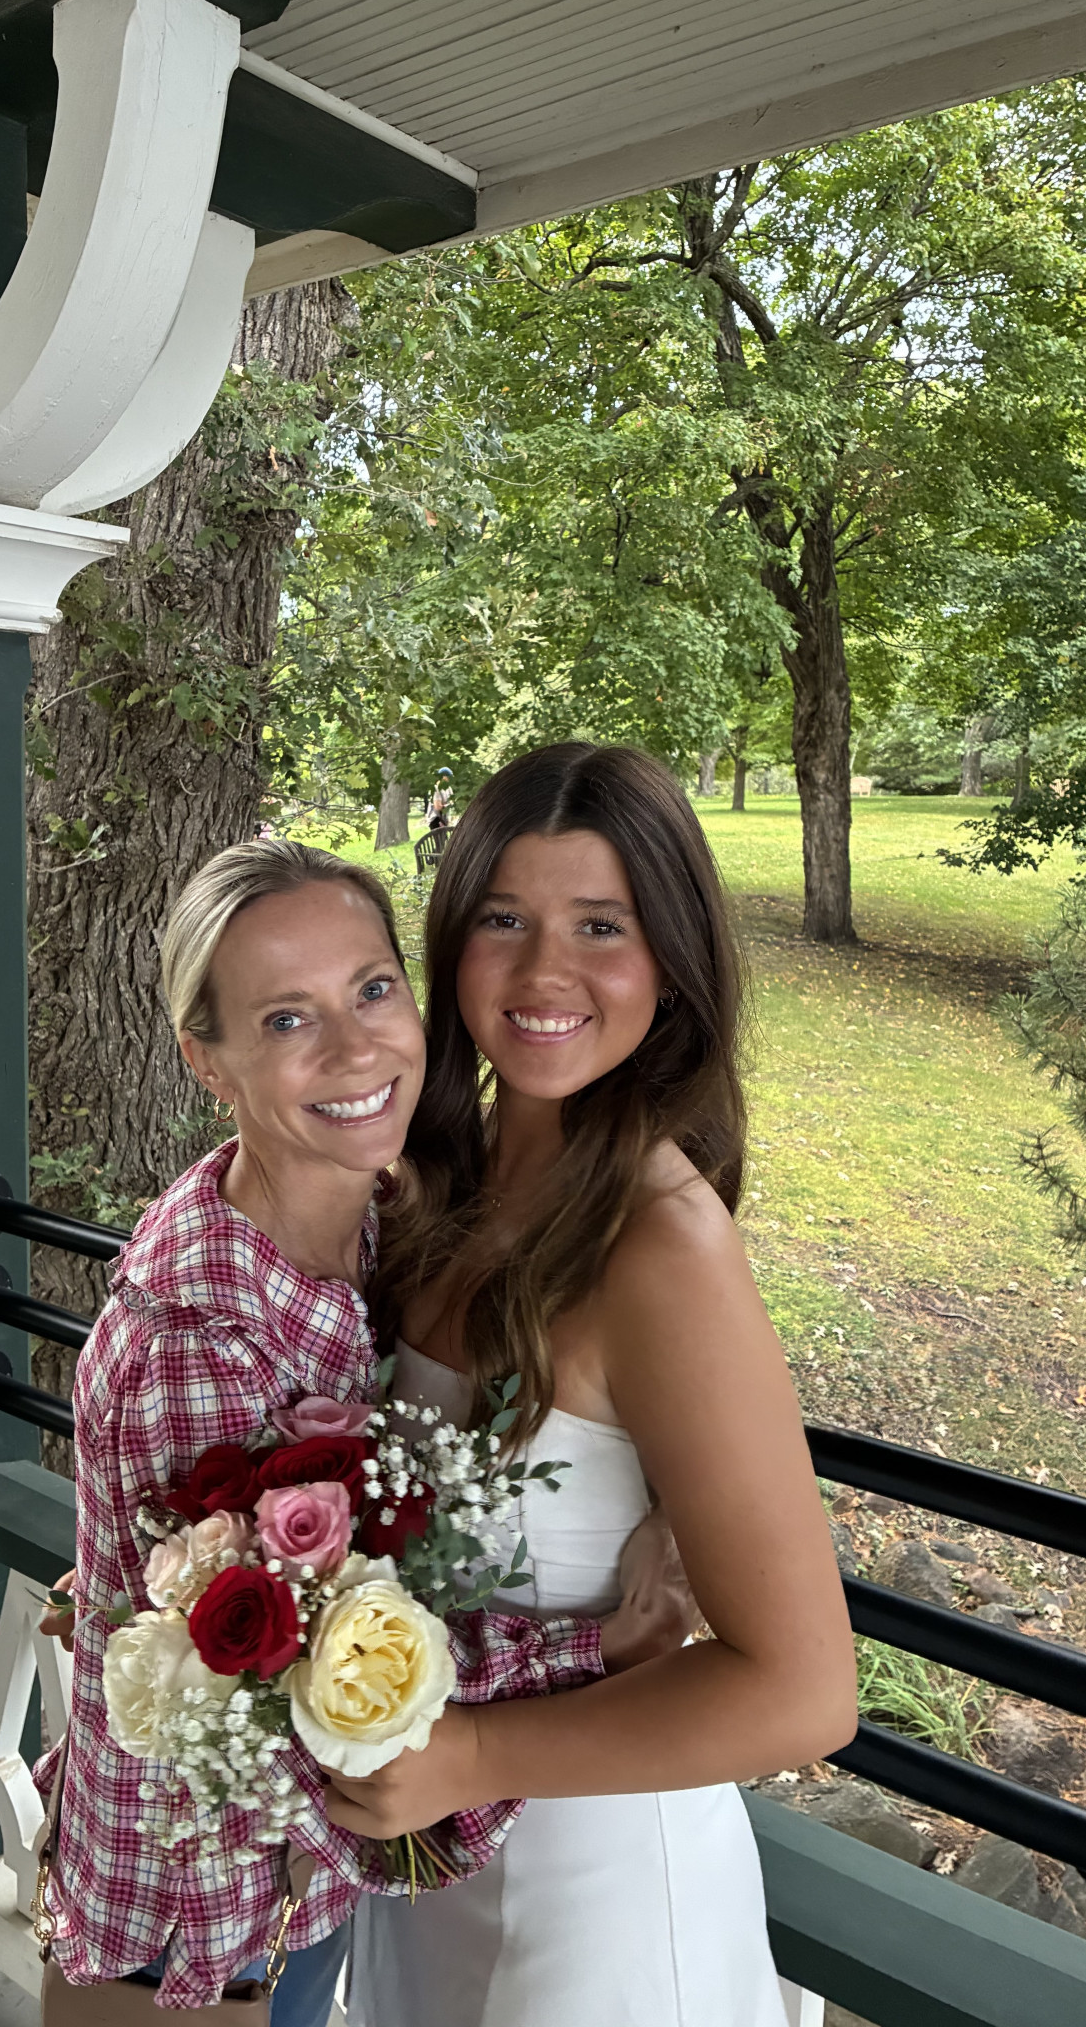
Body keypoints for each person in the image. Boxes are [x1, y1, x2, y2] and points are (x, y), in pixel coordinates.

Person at [33, 838, 689, 2025]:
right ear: (205, 1059)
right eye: (286, 1018)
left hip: (308, 1892)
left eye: (372, 989)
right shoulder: (200, 1338)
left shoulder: (377, 1217)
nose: (353, 1048)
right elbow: (300, 1693)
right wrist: (603, 1643)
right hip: (198, 1930)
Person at [343, 743, 857, 2027]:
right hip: (421, 1872)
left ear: (670, 958)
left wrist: (467, 1752)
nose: (543, 972)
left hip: (600, 1909)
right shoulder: (424, 1190)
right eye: (503, 919)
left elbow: (804, 1692)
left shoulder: (662, 1248)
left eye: (600, 925)